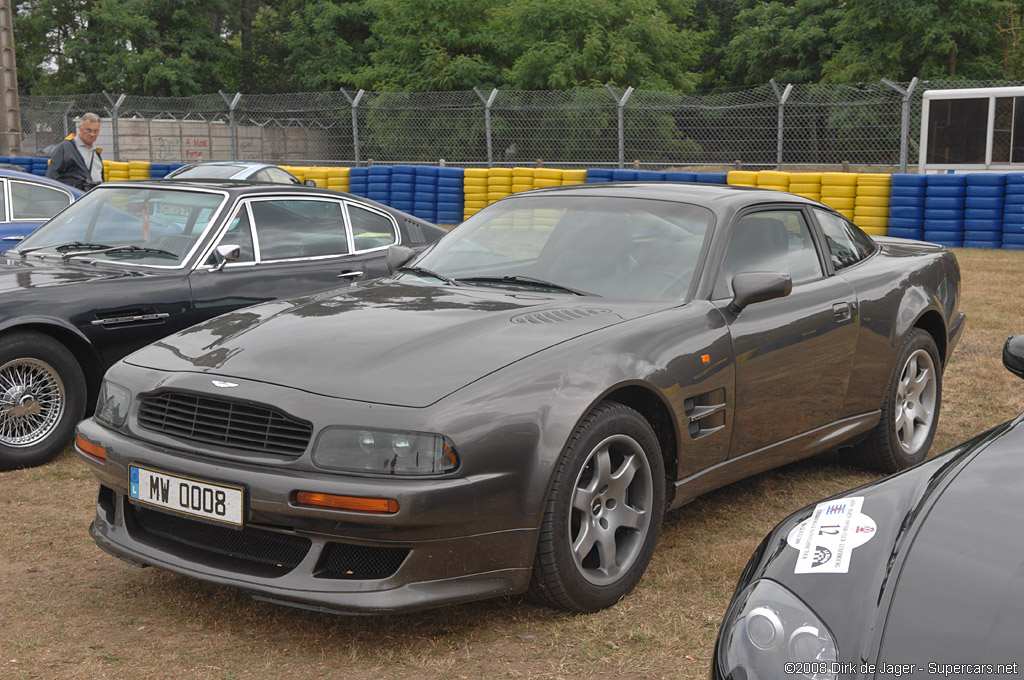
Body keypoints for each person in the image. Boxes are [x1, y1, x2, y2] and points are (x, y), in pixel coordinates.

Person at [46, 113, 104, 190]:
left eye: (96, 131)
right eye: (88, 130)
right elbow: (51, 175)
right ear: (80, 128)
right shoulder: (65, 148)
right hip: (76, 198)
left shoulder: (96, 152)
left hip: (95, 197)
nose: (92, 134)